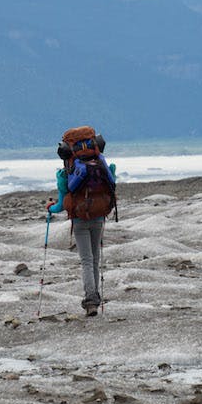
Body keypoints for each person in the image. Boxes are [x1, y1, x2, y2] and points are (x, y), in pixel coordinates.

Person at [46, 128, 117, 316]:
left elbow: (61, 204)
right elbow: (112, 184)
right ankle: (94, 297)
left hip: (79, 220)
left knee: (86, 260)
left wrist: (50, 209)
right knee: (94, 259)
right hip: (99, 216)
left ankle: (91, 300)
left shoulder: (67, 171)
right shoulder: (100, 162)